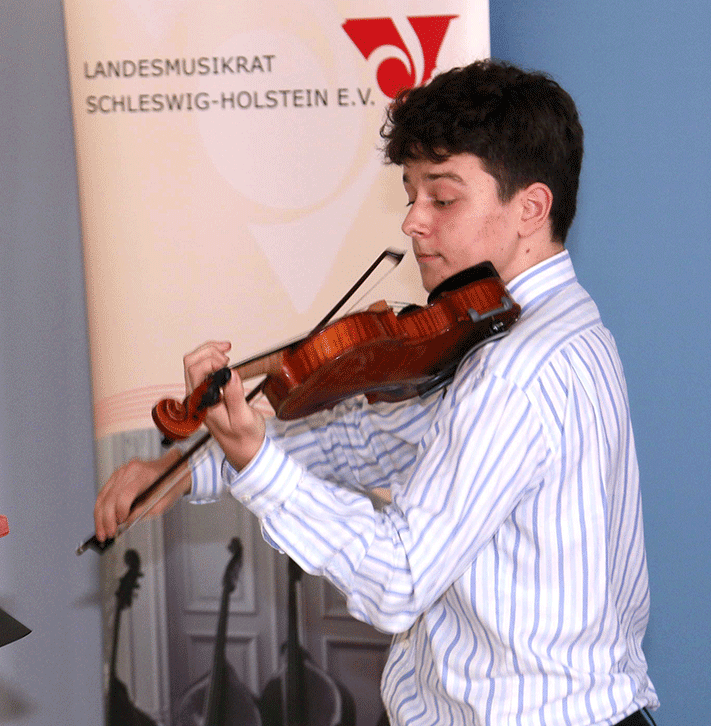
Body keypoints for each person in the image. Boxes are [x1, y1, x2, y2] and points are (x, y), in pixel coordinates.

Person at [95, 60, 658, 726]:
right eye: (410, 193)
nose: (412, 222)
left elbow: (400, 578)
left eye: (442, 198)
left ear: (530, 207)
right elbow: (374, 438)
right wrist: (193, 467)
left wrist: (254, 460)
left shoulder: (517, 369)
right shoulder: (555, 328)